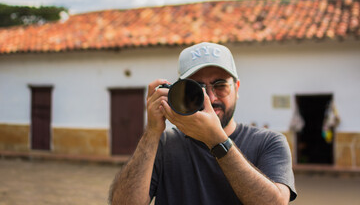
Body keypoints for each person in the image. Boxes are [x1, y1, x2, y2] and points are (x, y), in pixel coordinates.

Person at [109, 42, 297, 205]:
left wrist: (217, 142)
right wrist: (151, 132)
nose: (210, 97)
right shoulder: (163, 144)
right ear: (180, 92)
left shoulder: (269, 143)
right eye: (197, 88)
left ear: (236, 88)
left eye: (220, 85)